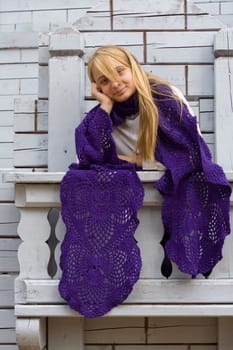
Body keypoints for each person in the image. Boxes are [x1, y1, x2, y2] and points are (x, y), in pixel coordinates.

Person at [58, 45, 231, 318]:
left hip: (170, 202)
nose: (114, 83)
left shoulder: (165, 98)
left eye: (119, 71)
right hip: (137, 221)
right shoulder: (104, 119)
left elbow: (190, 153)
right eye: (103, 80)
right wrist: (104, 108)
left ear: (133, 67)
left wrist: (135, 161)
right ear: (97, 88)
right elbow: (92, 158)